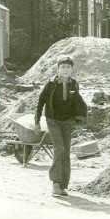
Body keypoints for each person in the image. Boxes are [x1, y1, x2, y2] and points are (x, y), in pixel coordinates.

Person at [34, 55, 88, 196]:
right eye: (63, 67)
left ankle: (64, 185)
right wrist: (36, 122)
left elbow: (77, 102)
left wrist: (79, 119)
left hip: (67, 121)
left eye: (68, 67)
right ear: (57, 69)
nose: (65, 70)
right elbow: (40, 103)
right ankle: (56, 184)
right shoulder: (51, 84)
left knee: (66, 151)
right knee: (60, 148)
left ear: (72, 69)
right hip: (53, 121)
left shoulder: (74, 84)